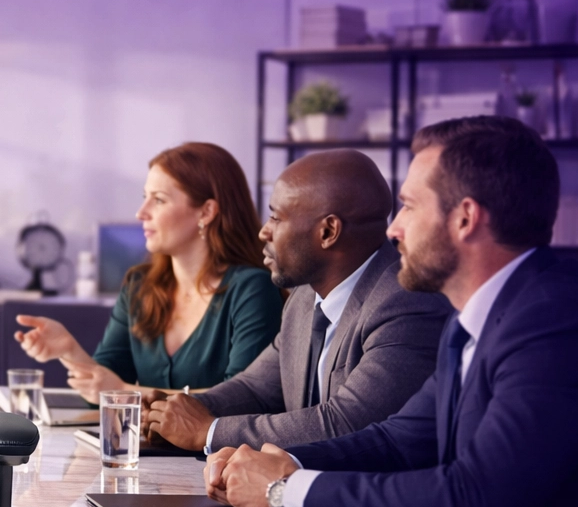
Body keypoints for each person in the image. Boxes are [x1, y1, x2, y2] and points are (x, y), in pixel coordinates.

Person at [207, 116, 578, 507]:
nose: (392, 228)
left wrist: (286, 491)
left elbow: (471, 502)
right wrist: (286, 463)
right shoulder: (474, 317)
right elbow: (396, 439)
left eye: (409, 207)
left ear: (465, 218)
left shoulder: (554, 320)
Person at [147, 150, 451, 452]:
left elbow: (346, 424)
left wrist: (208, 431)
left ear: (328, 231)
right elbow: (255, 388)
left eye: (276, 217)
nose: (263, 231)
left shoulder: (406, 302)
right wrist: (175, 412)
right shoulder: (305, 295)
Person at [14, 142, 282, 400]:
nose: (141, 212)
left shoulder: (252, 289)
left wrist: (124, 391)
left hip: (222, 449)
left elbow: (242, 399)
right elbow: (103, 389)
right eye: (145, 198)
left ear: (206, 211)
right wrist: (70, 351)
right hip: (148, 448)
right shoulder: (139, 285)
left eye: (159, 200)